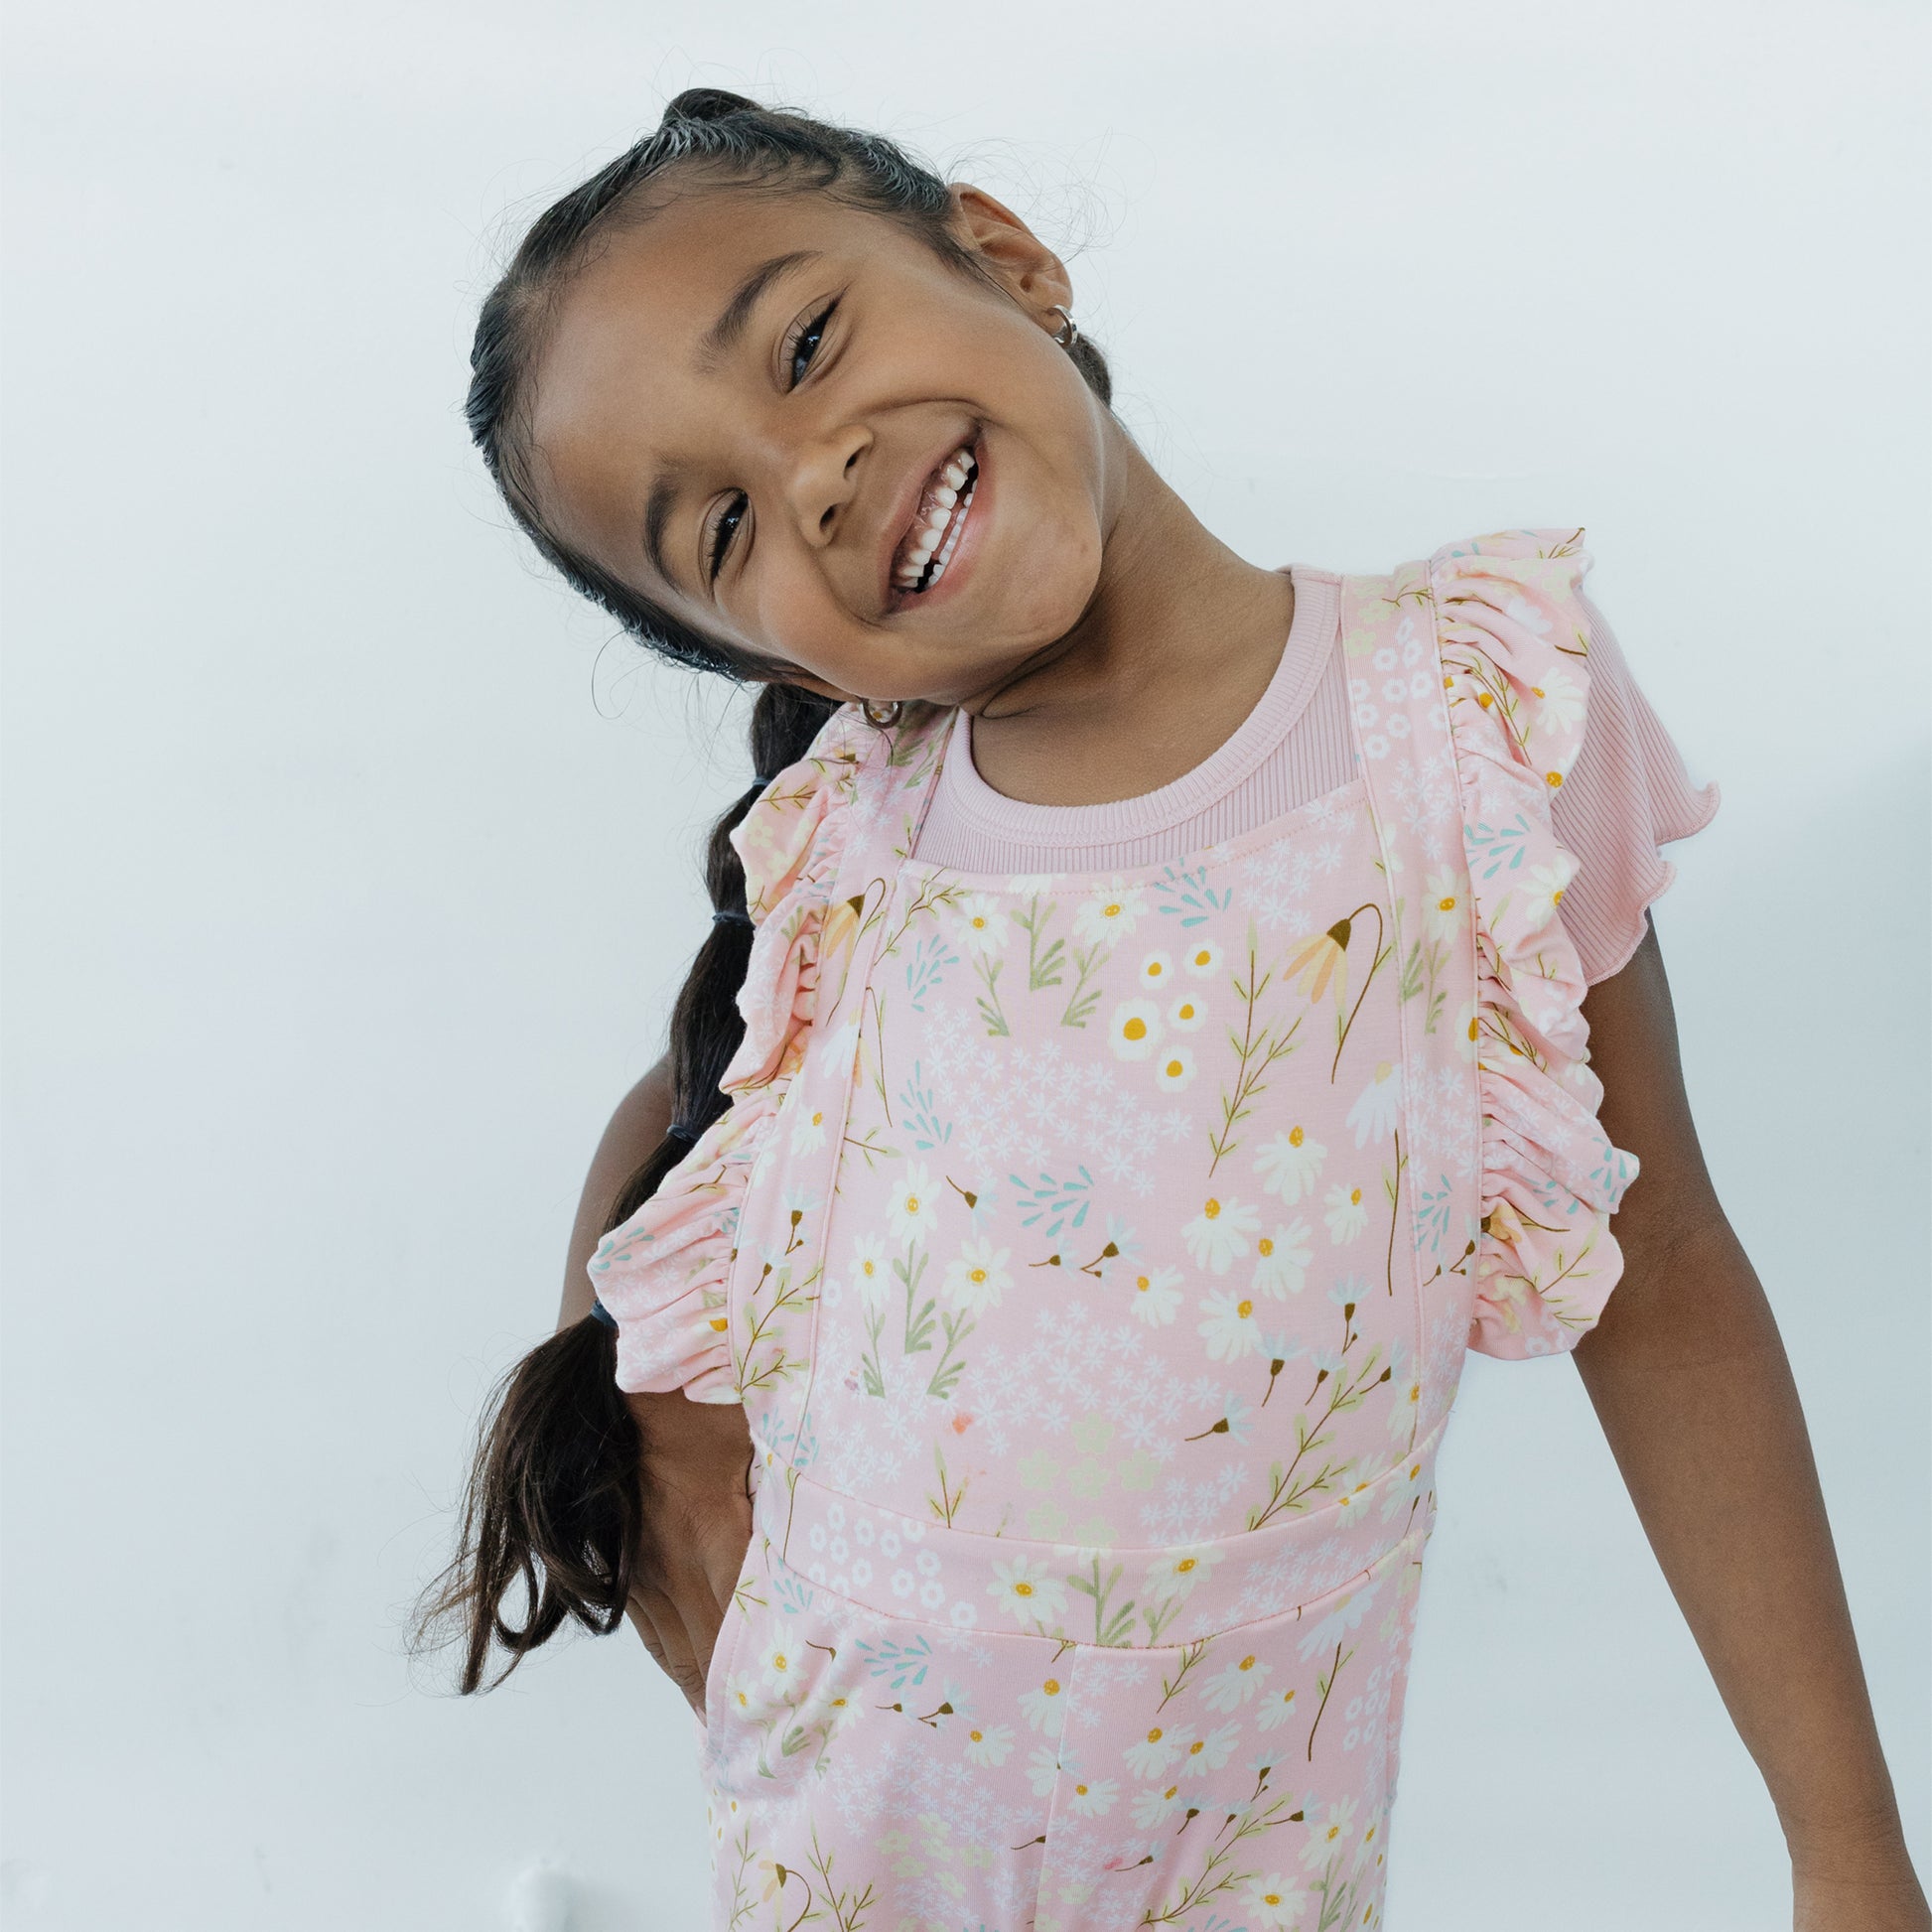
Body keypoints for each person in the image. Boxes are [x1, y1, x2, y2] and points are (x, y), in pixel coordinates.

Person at [419, 87, 1927, 1931]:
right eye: (721, 526)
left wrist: (1845, 1849)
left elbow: (1663, 1268)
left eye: (805, 344)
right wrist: (621, 1390)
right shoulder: (853, 845)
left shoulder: (1467, 717)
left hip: (1260, 1849)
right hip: (849, 1839)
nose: (808, 474)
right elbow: (693, 1101)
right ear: (761, 650)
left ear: (1004, 257)